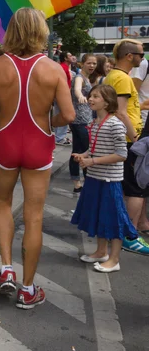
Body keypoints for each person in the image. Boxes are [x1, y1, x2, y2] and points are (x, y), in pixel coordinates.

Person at [0, 8, 75, 309]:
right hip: (38, 144)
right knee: (33, 216)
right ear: (41, 33)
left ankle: (6, 268)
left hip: (6, 142)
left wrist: (2, 117)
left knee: (3, 204)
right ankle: (28, 289)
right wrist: (49, 122)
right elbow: (70, 115)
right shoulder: (53, 69)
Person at [71, 84, 138, 272]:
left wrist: (92, 161)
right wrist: (84, 155)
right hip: (95, 178)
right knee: (99, 215)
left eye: (96, 97)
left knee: (114, 219)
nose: (90, 99)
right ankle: (101, 251)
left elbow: (122, 154)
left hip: (109, 180)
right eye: (90, 95)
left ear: (107, 102)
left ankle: (114, 259)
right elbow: (93, 149)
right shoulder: (93, 124)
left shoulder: (115, 124)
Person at [104, 39, 149, 254]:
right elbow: (121, 111)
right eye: (141, 53)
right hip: (129, 139)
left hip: (122, 137)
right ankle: (130, 235)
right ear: (129, 56)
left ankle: (122, 230)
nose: (143, 57)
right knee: (135, 189)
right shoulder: (121, 78)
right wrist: (135, 137)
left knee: (125, 187)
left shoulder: (116, 76)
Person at [70, 54, 97, 193]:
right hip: (81, 120)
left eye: (94, 63)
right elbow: (77, 89)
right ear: (82, 63)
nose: (92, 66)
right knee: (86, 150)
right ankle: (85, 181)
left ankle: (77, 183)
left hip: (82, 120)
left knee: (78, 150)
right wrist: (80, 95)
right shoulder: (79, 77)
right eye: (89, 63)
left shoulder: (87, 78)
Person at [55, 52, 73, 146]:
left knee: (60, 114)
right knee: (64, 115)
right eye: (69, 56)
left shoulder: (63, 67)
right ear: (65, 58)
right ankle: (60, 137)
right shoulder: (63, 67)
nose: (72, 57)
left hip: (62, 94)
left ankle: (59, 136)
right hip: (62, 95)